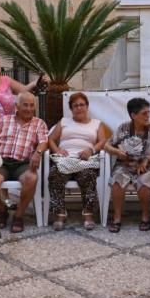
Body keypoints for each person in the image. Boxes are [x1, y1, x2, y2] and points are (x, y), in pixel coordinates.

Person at [0, 91, 48, 233]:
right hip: (2, 162)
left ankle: (19, 215)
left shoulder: (39, 123)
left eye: (32, 105)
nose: (29, 109)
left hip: (23, 163)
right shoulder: (4, 121)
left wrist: (38, 153)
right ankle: (2, 211)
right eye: (25, 105)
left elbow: (43, 142)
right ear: (16, 106)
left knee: (31, 178)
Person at [46, 92, 110, 230]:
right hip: (65, 159)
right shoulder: (64, 122)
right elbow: (50, 139)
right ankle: (60, 213)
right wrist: (57, 150)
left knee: (88, 175)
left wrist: (91, 150)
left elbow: (103, 141)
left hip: (86, 160)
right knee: (54, 175)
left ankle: (88, 214)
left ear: (87, 106)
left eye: (82, 105)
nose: (79, 108)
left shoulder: (96, 124)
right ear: (71, 108)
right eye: (75, 106)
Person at [105, 97, 150, 232]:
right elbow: (107, 145)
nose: (148, 116)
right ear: (133, 115)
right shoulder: (123, 128)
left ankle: (145, 217)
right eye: (144, 113)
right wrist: (117, 152)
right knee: (117, 179)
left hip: (148, 165)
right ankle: (117, 218)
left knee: (144, 180)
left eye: (149, 112)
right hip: (125, 164)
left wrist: (148, 159)